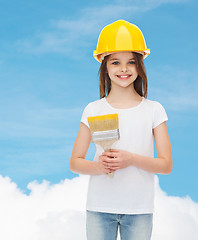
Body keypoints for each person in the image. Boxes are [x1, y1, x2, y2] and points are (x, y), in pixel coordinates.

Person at [69, 19, 172, 240]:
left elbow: (165, 165)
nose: (123, 69)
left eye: (131, 62)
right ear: (104, 66)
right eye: (115, 62)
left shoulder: (154, 110)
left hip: (139, 210)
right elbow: (75, 162)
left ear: (140, 65)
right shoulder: (93, 109)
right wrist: (100, 166)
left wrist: (131, 159)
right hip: (99, 207)